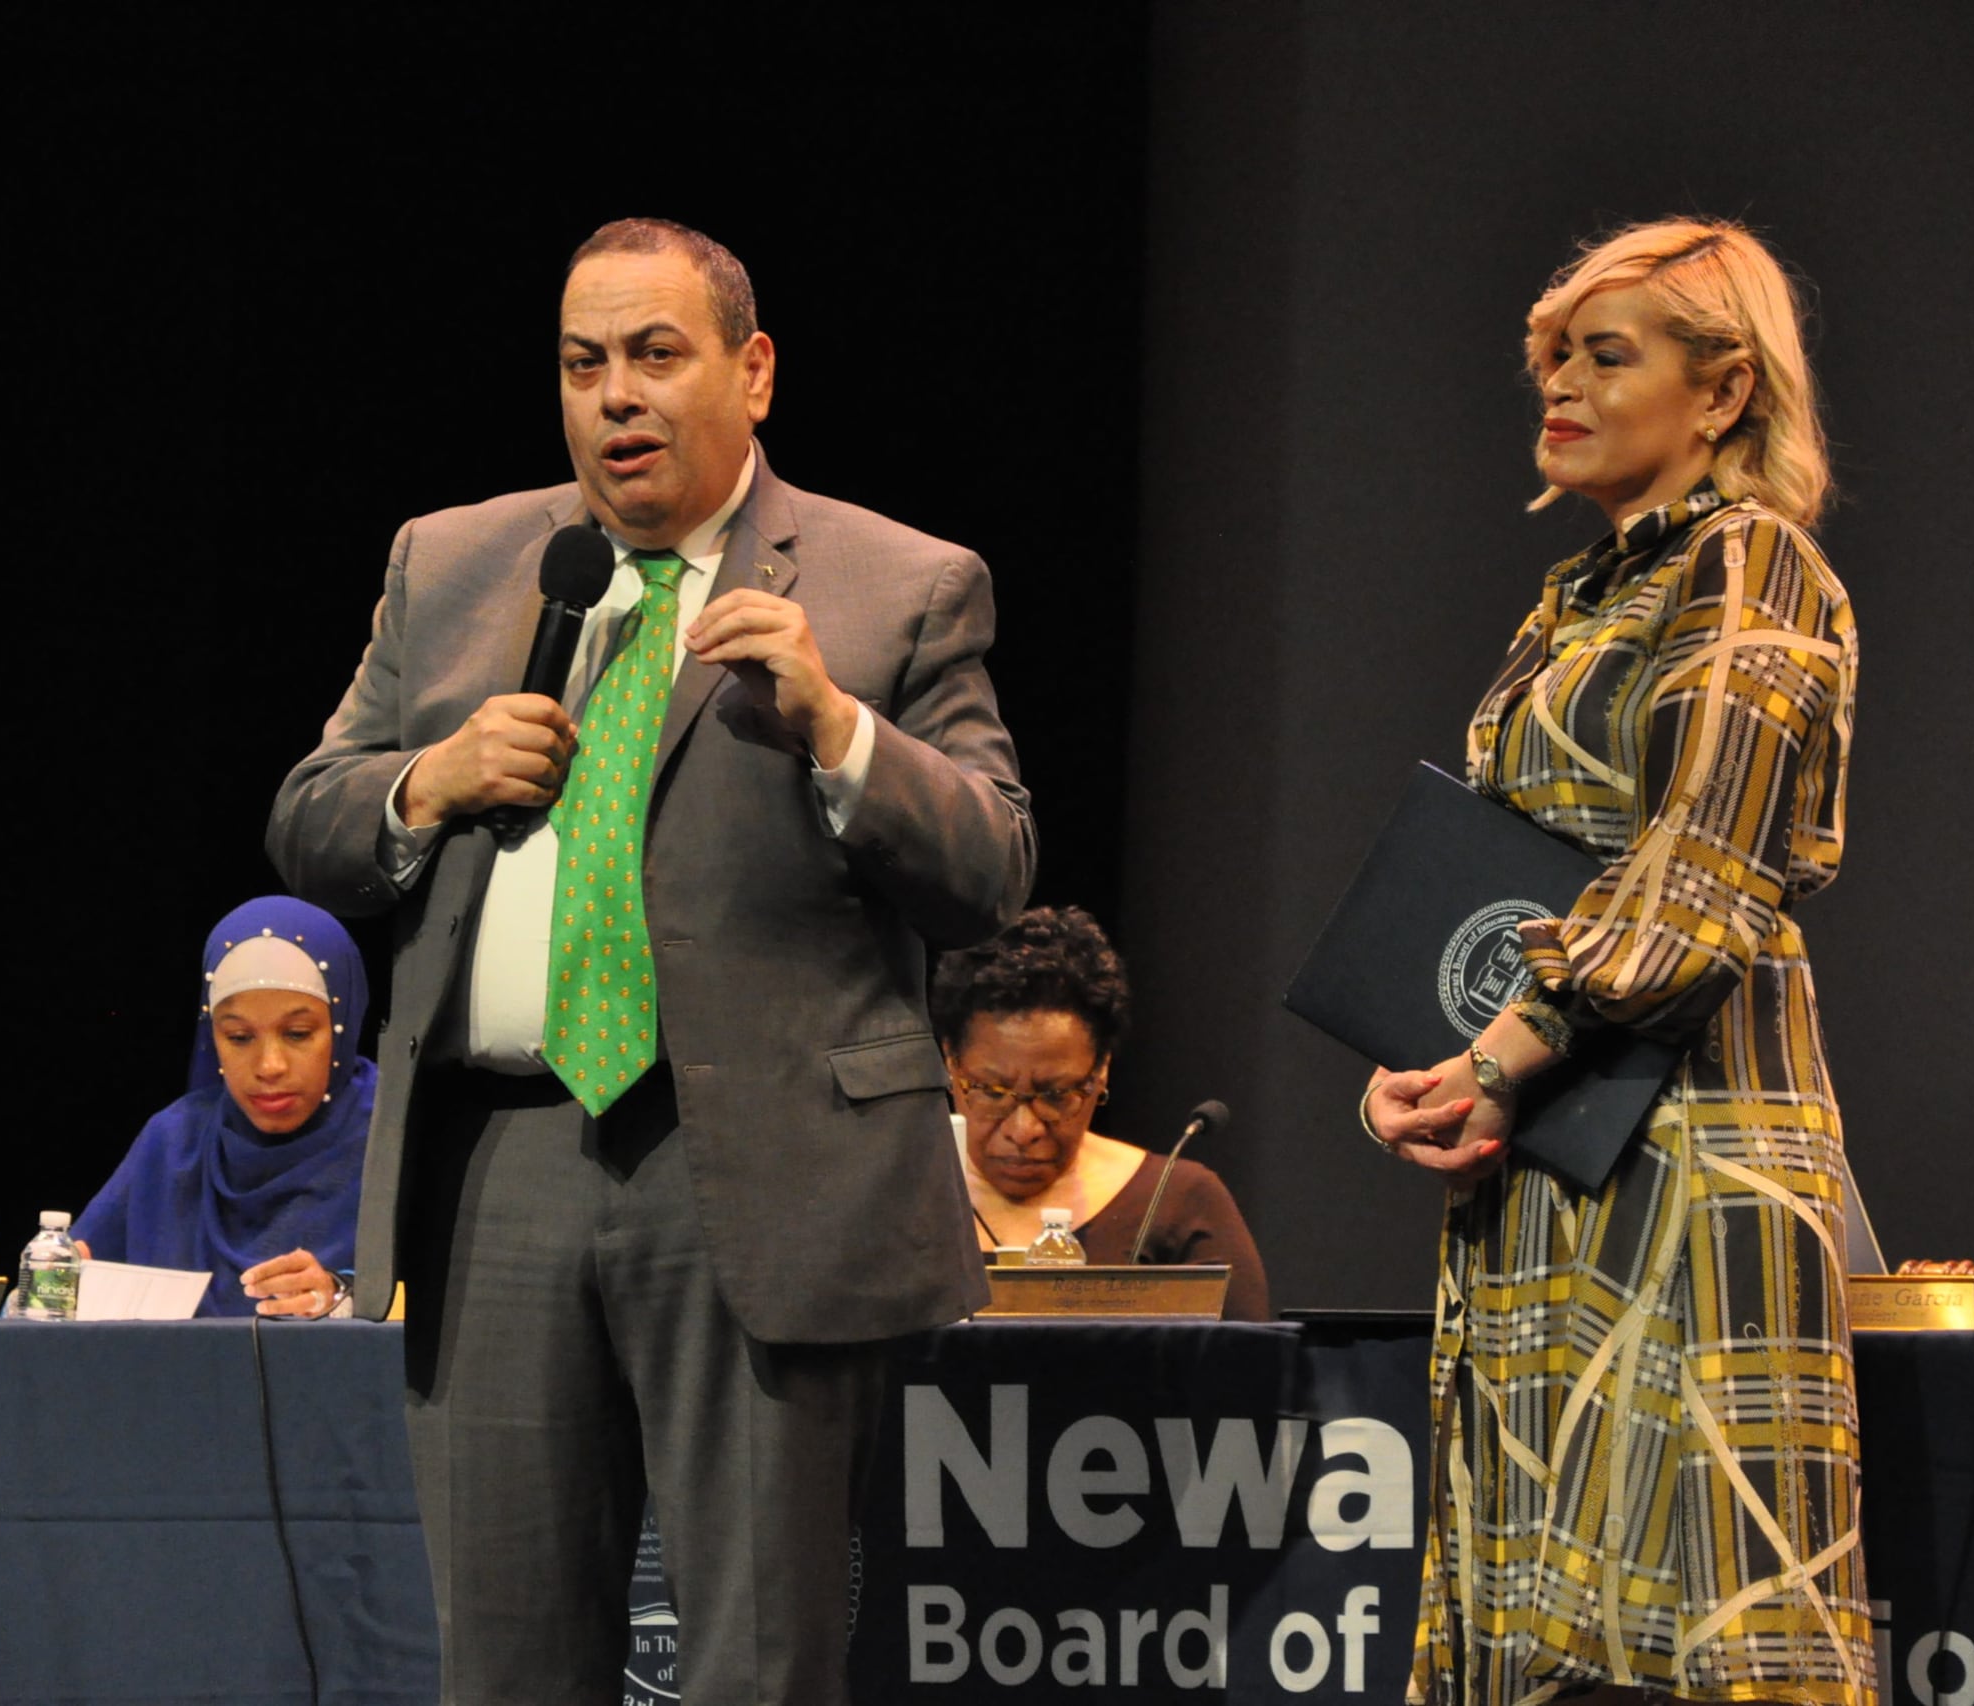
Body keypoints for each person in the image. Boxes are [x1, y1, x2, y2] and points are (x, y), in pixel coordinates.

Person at [265, 217, 1032, 1706]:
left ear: (753, 372)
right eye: (582, 362)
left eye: (655, 354)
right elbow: (311, 815)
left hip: (759, 1175)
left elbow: (993, 864)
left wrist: (837, 728)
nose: (615, 393)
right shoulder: (453, 561)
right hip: (498, 1167)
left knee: (759, 1661)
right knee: (505, 1666)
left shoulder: (900, 581)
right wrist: (428, 781)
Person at [1361, 220, 1869, 1706]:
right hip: (1552, 1150)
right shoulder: (1577, 597)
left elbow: (1698, 874)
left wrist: (1494, 1056)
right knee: (1544, 1624)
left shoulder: (1753, 562)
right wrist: (1428, 1067)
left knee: (1705, 1620)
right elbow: (1502, 875)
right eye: (1552, 359)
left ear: (1723, 391)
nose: (1560, 386)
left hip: (1686, 1153)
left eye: (1605, 355)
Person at [931, 906, 1270, 1321]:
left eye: (1056, 1095)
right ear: (949, 1060)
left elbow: (1250, 1359)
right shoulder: (890, 1202)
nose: (1023, 1129)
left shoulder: (1178, 1201)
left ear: (1101, 1069)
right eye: (993, 1092)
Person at [72, 896, 372, 1320]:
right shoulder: (176, 1141)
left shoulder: (393, 1137)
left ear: (342, 1024)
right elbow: (60, 1284)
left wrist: (344, 1295)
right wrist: (52, 1289)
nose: (269, 1066)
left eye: (298, 1033)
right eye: (239, 1038)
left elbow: (450, 1304)